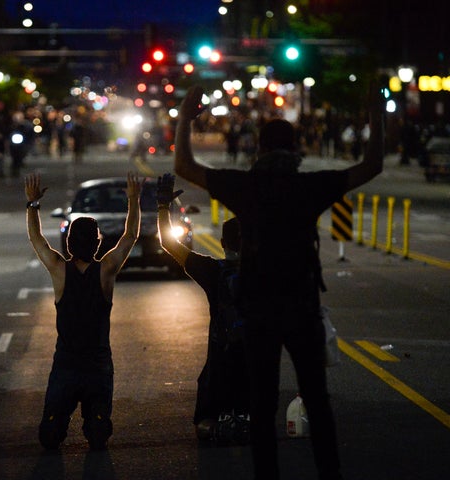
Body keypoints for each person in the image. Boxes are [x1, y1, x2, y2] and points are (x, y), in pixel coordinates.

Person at [174, 83, 384, 480]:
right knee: (317, 401)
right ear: (295, 150)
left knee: (262, 401)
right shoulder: (309, 186)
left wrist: (186, 117)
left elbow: (184, 166)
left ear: (259, 150)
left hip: (258, 310)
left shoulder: (247, 187)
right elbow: (371, 166)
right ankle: (329, 473)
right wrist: (376, 116)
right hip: (301, 307)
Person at [24, 171, 143, 451]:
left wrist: (32, 204)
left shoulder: (58, 269)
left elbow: (36, 238)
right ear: (98, 243)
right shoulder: (106, 271)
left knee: (50, 436)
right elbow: (130, 237)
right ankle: (95, 421)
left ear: (69, 244)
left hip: (65, 365)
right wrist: (134, 198)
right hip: (98, 366)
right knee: (99, 434)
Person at [155, 174, 250, 445]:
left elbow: (167, 243)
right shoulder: (264, 272)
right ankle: (245, 422)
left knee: (204, 421)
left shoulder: (212, 270)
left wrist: (163, 207)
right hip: (254, 359)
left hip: (220, 358)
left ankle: (218, 429)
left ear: (222, 244)